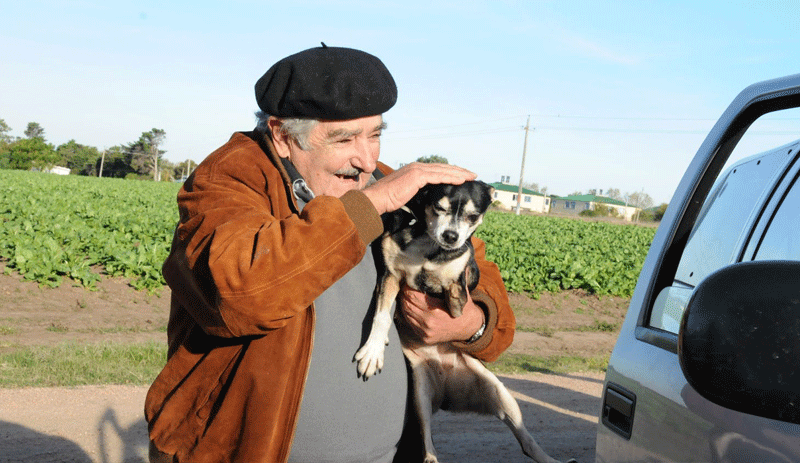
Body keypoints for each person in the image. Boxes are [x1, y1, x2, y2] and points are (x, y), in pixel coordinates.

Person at [145, 44, 517, 463]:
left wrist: (471, 322)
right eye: (344, 138)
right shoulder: (230, 179)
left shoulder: (381, 183)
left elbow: (480, 273)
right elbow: (237, 295)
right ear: (284, 136)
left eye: (375, 134)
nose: (366, 159)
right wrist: (367, 208)